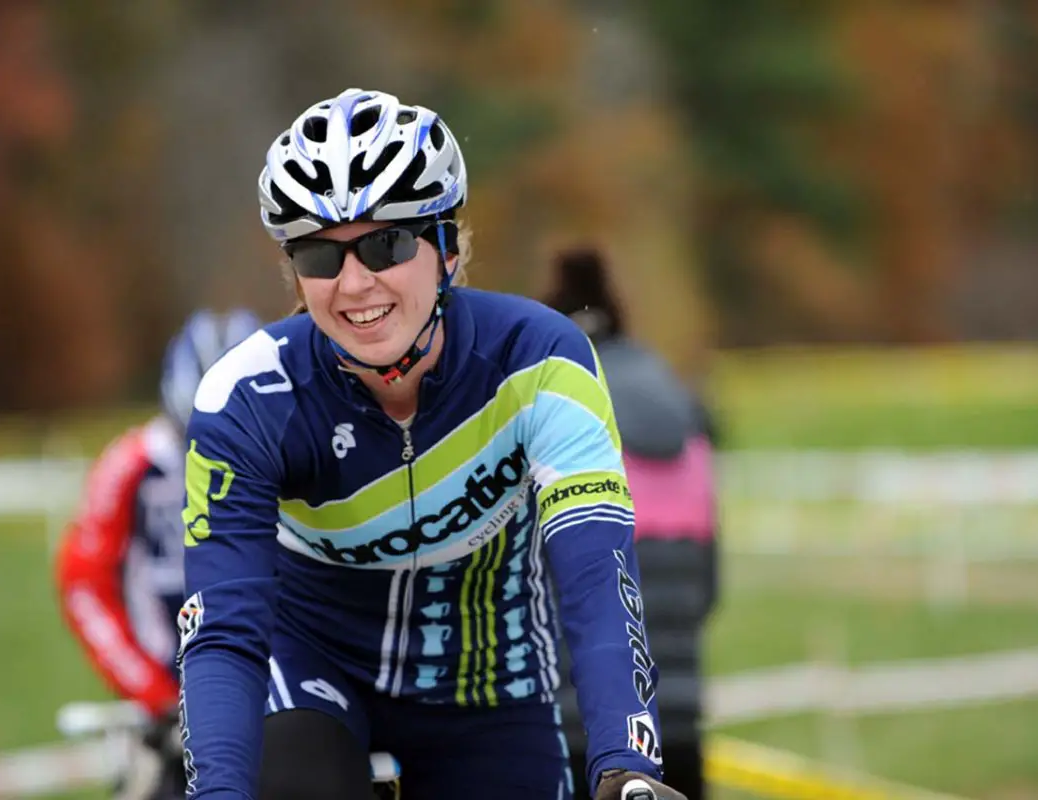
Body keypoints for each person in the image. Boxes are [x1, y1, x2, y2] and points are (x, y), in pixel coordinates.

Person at [176, 88, 690, 800]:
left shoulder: (540, 362)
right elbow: (222, 631)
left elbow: (595, 575)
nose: (354, 284)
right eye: (320, 255)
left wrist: (626, 762)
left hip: (486, 687)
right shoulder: (248, 396)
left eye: (386, 243)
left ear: (447, 249)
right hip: (308, 670)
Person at [55, 308, 262, 800]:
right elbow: (83, 583)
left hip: (272, 693)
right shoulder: (129, 468)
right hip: (164, 702)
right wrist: (150, 689)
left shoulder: (297, 454)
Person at [544, 247, 720, 800]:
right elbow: (712, 580)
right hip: (680, 695)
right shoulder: (680, 401)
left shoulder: (560, 405)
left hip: (584, 710)